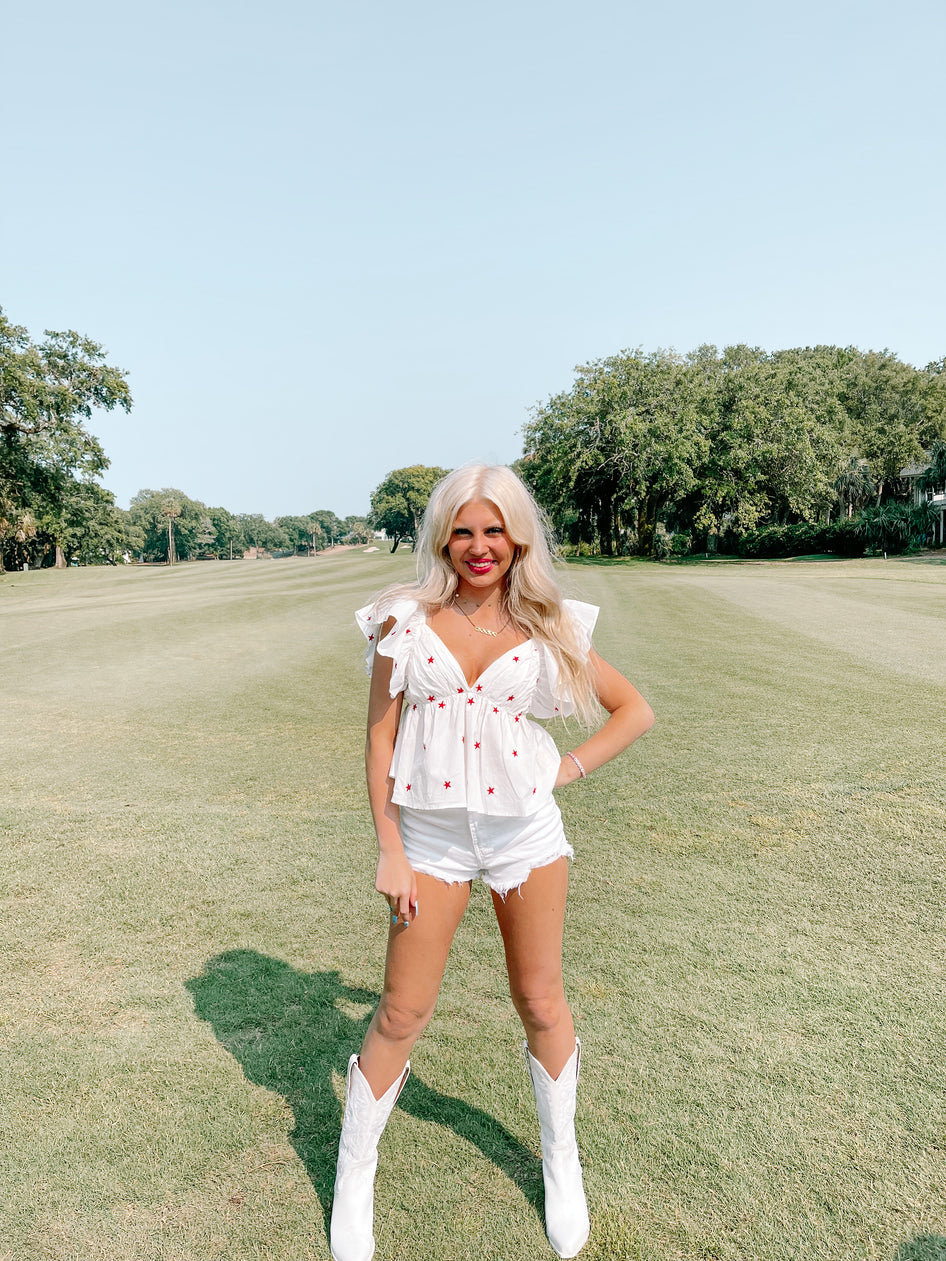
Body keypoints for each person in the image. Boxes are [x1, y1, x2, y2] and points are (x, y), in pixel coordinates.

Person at [331, 465, 654, 1261]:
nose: (481, 547)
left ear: (518, 537)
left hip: (525, 837)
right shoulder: (403, 621)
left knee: (541, 1000)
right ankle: (355, 1175)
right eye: (465, 530)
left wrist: (566, 770)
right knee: (402, 1011)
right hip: (431, 843)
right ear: (444, 535)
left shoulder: (550, 624)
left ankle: (562, 1163)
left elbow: (633, 709)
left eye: (496, 530)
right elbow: (378, 739)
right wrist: (390, 847)